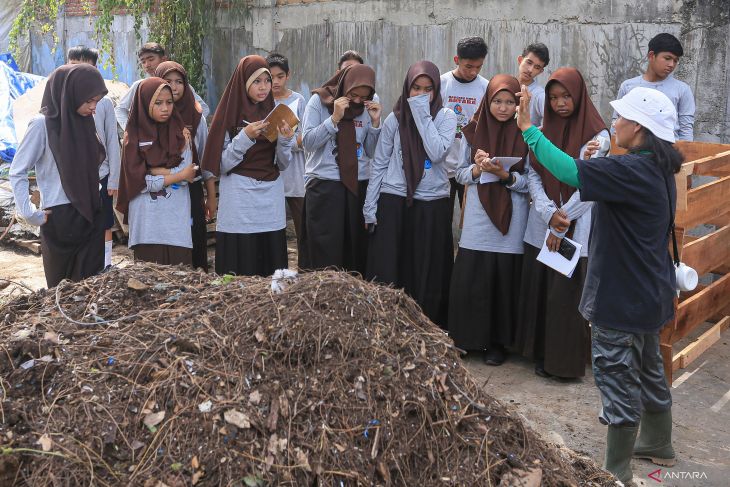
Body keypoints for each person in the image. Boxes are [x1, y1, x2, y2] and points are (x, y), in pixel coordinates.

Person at [516, 84, 681, 484]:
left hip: (620, 296)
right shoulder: (656, 168)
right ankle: (658, 441)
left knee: (614, 371)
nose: (615, 122)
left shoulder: (631, 170)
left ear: (640, 129)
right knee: (647, 363)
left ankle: (617, 470)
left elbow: (570, 172)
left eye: (622, 117)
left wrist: (529, 130)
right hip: (650, 291)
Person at [515, 67, 609, 380]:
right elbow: (532, 173)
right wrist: (546, 213)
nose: (560, 103)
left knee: (566, 298)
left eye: (566, 96)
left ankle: (564, 363)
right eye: (554, 97)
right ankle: (539, 354)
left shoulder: (599, 137)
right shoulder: (541, 131)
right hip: (543, 223)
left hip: (573, 226)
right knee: (542, 291)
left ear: (579, 95)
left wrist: (561, 222)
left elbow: (591, 185)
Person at [363, 61, 456, 328]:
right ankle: (388, 325)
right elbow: (380, 162)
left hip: (431, 202)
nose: (421, 95)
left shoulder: (445, 116)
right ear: (407, 87)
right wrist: (370, 207)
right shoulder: (395, 117)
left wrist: (422, 114)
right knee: (391, 265)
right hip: (394, 199)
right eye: (416, 88)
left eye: (428, 89)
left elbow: (437, 152)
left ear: (436, 90)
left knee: (425, 268)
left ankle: (425, 326)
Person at [448, 74, 530, 365]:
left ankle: (498, 343)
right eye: (498, 101)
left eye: (510, 102)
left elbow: (530, 180)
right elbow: (457, 173)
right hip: (478, 217)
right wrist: (479, 170)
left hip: (512, 216)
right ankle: (468, 338)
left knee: (503, 279)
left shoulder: (526, 134)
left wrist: (507, 176)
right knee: (473, 276)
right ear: (488, 101)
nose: (504, 108)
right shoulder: (471, 132)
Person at [10, 64, 108, 287]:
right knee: (61, 291)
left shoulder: (84, 122)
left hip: (91, 213)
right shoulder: (42, 126)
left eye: (97, 102)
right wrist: (28, 213)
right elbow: (17, 170)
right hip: (60, 218)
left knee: (91, 289)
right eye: (89, 101)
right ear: (70, 94)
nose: (94, 108)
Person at [201, 55, 296, 277]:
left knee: (269, 263)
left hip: (270, 196)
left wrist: (284, 140)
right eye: (257, 81)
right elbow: (221, 165)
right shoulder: (228, 115)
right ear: (243, 82)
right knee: (240, 263)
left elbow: (282, 164)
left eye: (267, 81)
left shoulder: (273, 112)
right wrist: (244, 137)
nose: (264, 88)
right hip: (239, 196)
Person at [300, 63, 381, 274]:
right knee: (325, 251)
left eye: (362, 97)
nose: (356, 101)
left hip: (358, 184)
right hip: (325, 186)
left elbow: (371, 151)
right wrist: (334, 118)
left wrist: (374, 124)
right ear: (345, 84)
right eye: (353, 94)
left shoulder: (370, 104)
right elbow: (307, 142)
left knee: (355, 249)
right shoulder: (318, 101)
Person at [116, 78, 197, 266]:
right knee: (149, 277)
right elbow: (138, 183)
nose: (165, 108)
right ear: (145, 103)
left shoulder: (181, 134)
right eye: (158, 103)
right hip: (147, 221)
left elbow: (189, 173)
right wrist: (177, 175)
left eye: (169, 102)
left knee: (180, 275)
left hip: (176, 217)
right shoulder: (132, 138)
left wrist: (156, 171)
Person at [154, 61, 215, 271]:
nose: (174, 86)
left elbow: (206, 160)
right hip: (161, 191)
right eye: (167, 81)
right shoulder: (150, 119)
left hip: (192, 189)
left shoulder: (197, 118)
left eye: (179, 81)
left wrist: (211, 197)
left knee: (194, 239)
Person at [67, 46, 121, 270]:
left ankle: (106, 264)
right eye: (73, 66)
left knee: (104, 222)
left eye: (85, 67)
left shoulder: (105, 103)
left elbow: (112, 141)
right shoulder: (64, 100)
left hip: (102, 174)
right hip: (74, 177)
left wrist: (115, 178)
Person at [440, 36, 489, 224]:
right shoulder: (441, 83)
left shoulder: (486, 87)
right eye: (469, 66)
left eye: (479, 67)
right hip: (442, 166)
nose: (473, 71)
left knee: (470, 222)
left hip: (470, 167)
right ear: (456, 60)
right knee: (441, 220)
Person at [612, 33, 695, 141]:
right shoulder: (628, 86)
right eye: (667, 58)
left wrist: (686, 155)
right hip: (632, 153)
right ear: (651, 55)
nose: (671, 64)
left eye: (675, 60)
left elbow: (686, 130)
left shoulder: (682, 89)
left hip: (667, 153)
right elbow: (616, 124)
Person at [115, 43, 209, 130]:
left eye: (151, 59)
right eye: (143, 62)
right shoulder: (140, 86)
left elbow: (203, 108)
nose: (147, 65)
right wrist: (131, 130)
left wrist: (191, 126)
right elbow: (120, 109)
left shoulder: (181, 86)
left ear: (163, 59)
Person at [266, 52, 307, 254]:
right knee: (271, 225)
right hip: (269, 172)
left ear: (288, 75)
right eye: (270, 77)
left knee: (302, 225)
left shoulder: (298, 101)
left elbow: (304, 138)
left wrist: (285, 139)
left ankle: (305, 268)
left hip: (294, 172)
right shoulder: (261, 100)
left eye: (280, 76)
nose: (275, 82)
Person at [516, 43, 550, 127]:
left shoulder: (540, 95)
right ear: (520, 60)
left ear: (540, 71)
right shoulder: (505, 85)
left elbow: (552, 123)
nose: (530, 70)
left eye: (537, 67)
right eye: (529, 62)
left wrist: (534, 134)